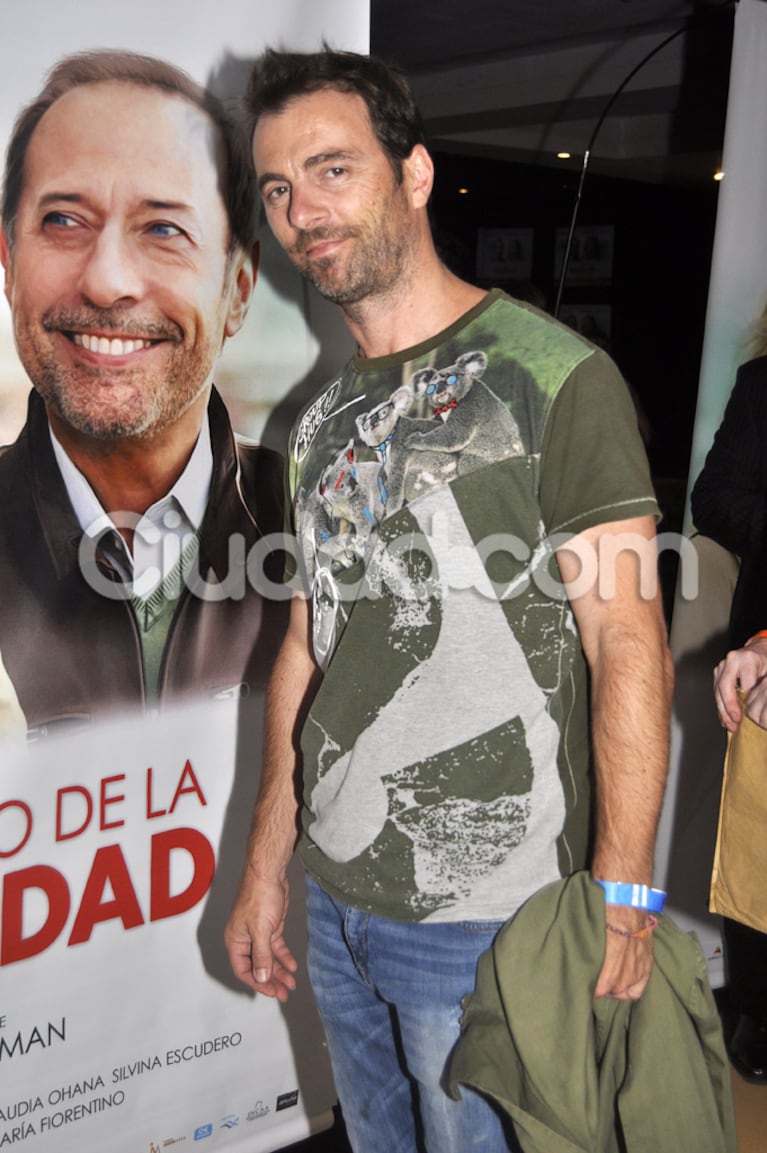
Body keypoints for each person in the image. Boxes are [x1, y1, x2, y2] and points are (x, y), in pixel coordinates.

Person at [225, 47, 673, 1153]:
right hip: (335, 891)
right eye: (277, 187)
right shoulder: (317, 422)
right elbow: (302, 650)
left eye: (331, 170)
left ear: (413, 175)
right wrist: (265, 865)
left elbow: (625, 641)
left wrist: (625, 891)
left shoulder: (552, 377)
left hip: (485, 911)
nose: (300, 212)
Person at [0, 50, 286, 736]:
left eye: (164, 229)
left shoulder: (332, 533)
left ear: (236, 291)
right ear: (8, 262)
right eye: (64, 220)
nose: (106, 281)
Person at [693, 340, 767, 1082]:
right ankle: (757, 1007)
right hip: (762, 644)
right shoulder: (760, 385)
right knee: (757, 835)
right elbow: (711, 499)